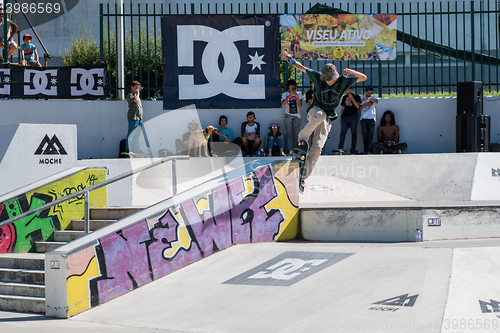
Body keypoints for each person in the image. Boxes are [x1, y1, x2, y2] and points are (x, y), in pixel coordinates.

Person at [281, 49, 367, 191]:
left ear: (335, 77)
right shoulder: (317, 77)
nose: (328, 82)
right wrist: (290, 59)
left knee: (317, 148)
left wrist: (352, 71)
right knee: (320, 115)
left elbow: (363, 77)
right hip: (315, 112)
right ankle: (302, 137)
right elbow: (301, 67)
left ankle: (302, 178)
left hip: (328, 118)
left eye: (331, 80)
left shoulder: (343, 81)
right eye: (326, 80)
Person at [338, 86, 361, 154]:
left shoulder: (356, 96)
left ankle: (353, 149)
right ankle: (340, 147)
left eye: (350, 89)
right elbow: (343, 108)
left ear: (352, 89)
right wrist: (341, 118)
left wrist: (352, 98)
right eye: (347, 89)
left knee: (353, 133)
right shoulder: (344, 97)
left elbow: (357, 106)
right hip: (345, 117)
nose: (349, 90)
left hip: (353, 116)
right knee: (343, 132)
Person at [282, 79, 303, 153]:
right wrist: (289, 95)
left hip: (297, 116)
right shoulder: (285, 94)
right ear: (288, 87)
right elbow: (283, 103)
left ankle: (296, 150)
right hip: (288, 115)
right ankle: (289, 150)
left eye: (293, 86)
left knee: (296, 134)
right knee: (289, 133)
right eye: (290, 86)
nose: (292, 87)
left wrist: (296, 96)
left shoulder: (299, 93)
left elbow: (300, 105)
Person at [359, 85, 379, 154]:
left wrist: (369, 98)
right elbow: (359, 107)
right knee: (364, 133)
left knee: (371, 134)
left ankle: (370, 150)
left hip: (371, 118)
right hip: (364, 118)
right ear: (365, 91)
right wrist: (366, 103)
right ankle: (366, 149)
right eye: (368, 93)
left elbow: (376, 102)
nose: (369, 94)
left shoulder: (373, 97)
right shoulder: (361, 97)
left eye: (371, 93)